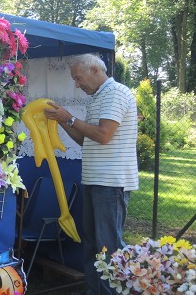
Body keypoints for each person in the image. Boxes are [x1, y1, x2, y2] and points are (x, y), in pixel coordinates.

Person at [43, 53, 138, 295]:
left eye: (78, 78)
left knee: (108, 245)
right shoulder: (98, 97)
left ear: (95, 70)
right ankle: (94, 290)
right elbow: (87, 140)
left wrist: (70, 118)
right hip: (95, 179)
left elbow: (103, 136)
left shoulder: (116, 93)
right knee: (92, 243)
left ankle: (112, 292)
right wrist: (62, 120)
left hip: (111, 181)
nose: (77, 84)